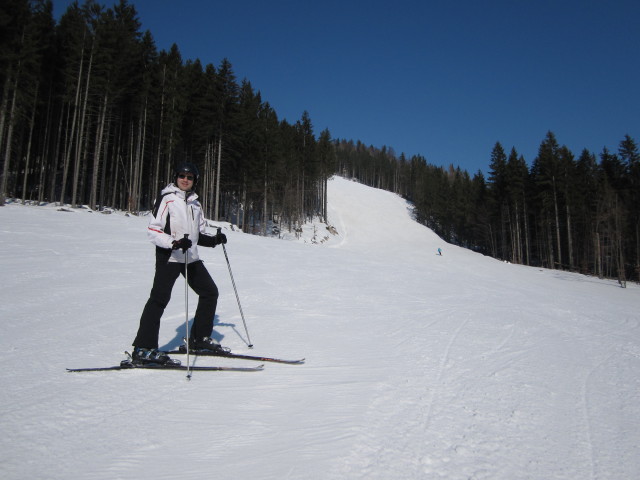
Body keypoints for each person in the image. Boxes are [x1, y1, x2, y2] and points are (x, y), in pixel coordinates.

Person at [131, 162, 227, 365]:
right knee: (159, 299)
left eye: (190, 177)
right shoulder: (167, 199)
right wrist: (173, 242)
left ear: (195, 181)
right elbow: (153, 230)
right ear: (176, 177)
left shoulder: (195, 204)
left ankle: (198, 339)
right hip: (170, 256)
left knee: (209, 292)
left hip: (190, 256)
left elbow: (197, 235)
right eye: (182, 176)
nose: (185, 179)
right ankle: (143, 348)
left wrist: (214, 240)